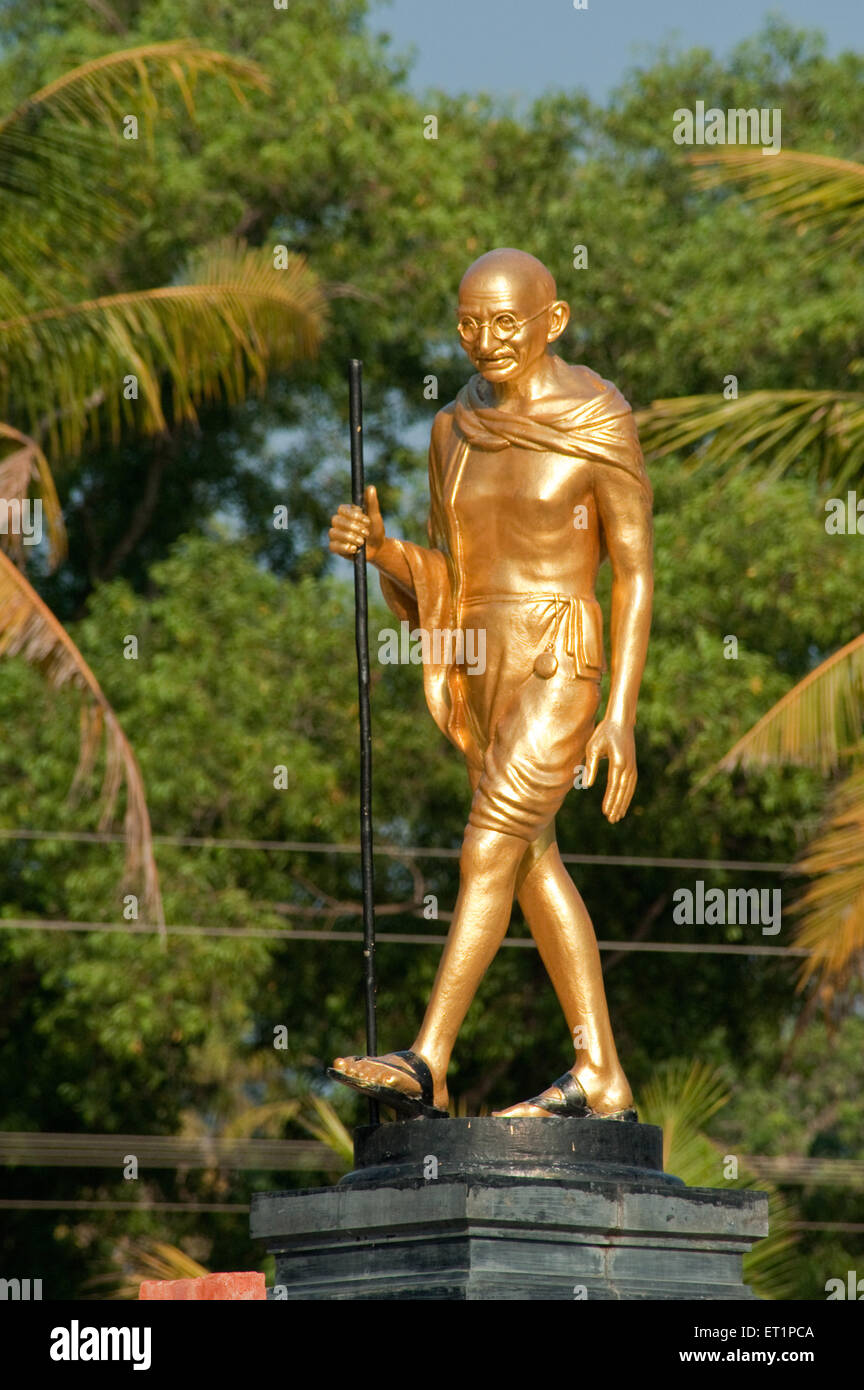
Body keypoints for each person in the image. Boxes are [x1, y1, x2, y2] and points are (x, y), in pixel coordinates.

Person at [328, 248, 653, 1120]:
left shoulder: (597, 418)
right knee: (533, 858)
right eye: (469, 323)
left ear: (555, 319)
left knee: (488, 844)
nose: (486, 341)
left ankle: (429, 1057)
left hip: (559, 656)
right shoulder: (453, 430)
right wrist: (381, 550)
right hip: (481, 656)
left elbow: (634, 571)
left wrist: (619, 713)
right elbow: (446, 572)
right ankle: (601, 1075)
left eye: (507, 322)